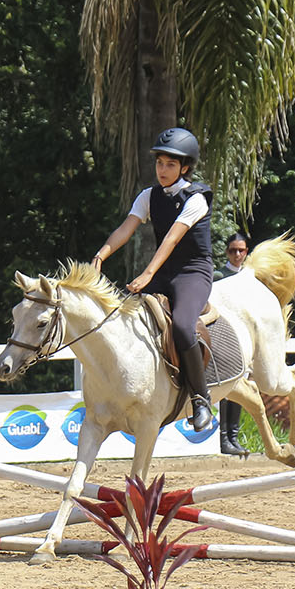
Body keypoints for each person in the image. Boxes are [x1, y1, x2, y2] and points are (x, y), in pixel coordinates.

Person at [91, 127, 216, 433]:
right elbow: (125, 229)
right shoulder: (148, 196)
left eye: (170, 165)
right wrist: (100, 257)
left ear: (185, 167)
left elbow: (171, 240)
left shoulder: (197, 198)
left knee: (184, 327)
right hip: (164, 272)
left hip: (193, 273)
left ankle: (201, 399)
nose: (163, 170)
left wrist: (147, 275)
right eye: (160, 163)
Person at [215, 232, 250, 455]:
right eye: (233, 250)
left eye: (241, 250)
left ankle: (234, 436)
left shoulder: (249, 276)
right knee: (226, 387)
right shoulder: (219, 275)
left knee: (240, 387)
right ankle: (223, 438)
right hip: (224, 334)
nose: (237, 254)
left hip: (244, 337)